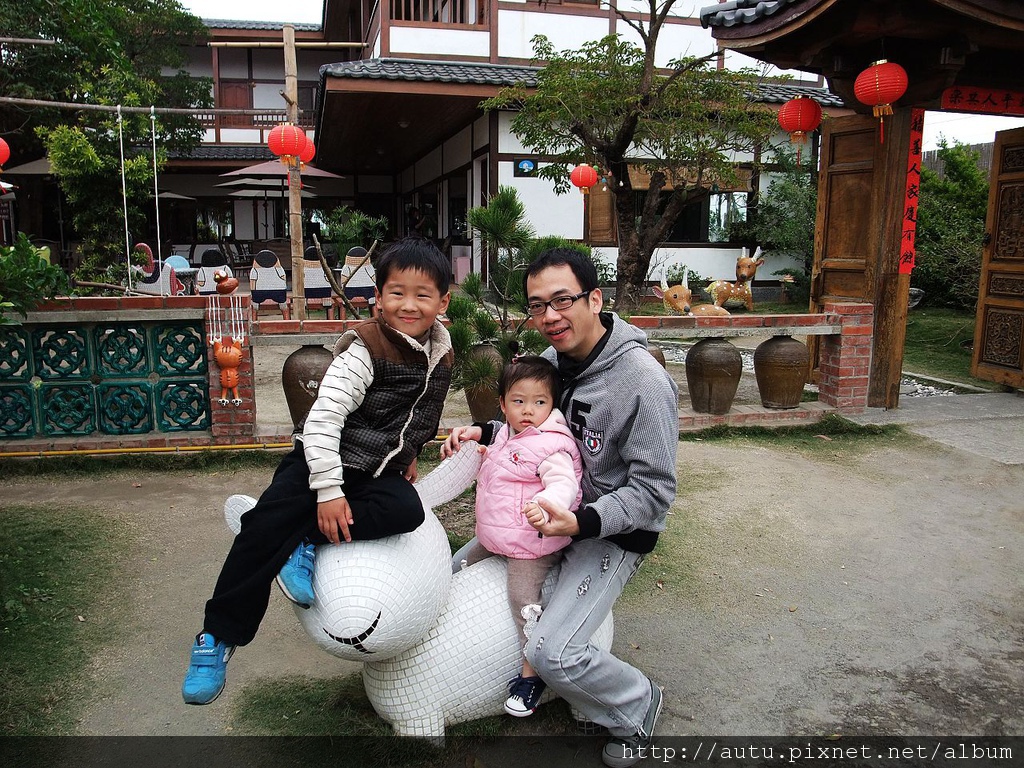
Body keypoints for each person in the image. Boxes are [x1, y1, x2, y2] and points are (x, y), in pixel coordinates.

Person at [182, 237, 454, 706]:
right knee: (260, 529)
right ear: (379, 296)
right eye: (397, 293)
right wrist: (327, 491)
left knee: (406, 511)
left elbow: (420, 410)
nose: (408, 305)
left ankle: (302, 540)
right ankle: (217, 637)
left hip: (373, 470)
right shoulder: (365, 349)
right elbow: (324, 419)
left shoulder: (441, 353)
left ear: (443, 302)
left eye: (422, 295)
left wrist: (409, 453)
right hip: (318, 460)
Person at [443, 248, 678, 768]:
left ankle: (637, 704)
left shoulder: (642, 381)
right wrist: (480, 431)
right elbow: (531, 427)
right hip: (542, 520)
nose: (549, 316)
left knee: (553, 652)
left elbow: (655, 491)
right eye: (537, 305)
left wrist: (583, 521)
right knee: (452, 572)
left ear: (595, 299)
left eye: (562, 300)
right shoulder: (551, 364)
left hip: (609, 532)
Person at [454, 354, 583, 718]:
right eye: (519, 401)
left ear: (552, 405)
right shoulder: (506, 434)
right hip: (497, 537)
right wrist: (481, 449)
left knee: (522, 600)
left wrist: (545, 507)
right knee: (459, 566)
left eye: (540, 402)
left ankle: (533, 674)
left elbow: (563, 484)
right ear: (503, 403)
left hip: (533, 543)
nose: (528, 410)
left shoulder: (551, 444)